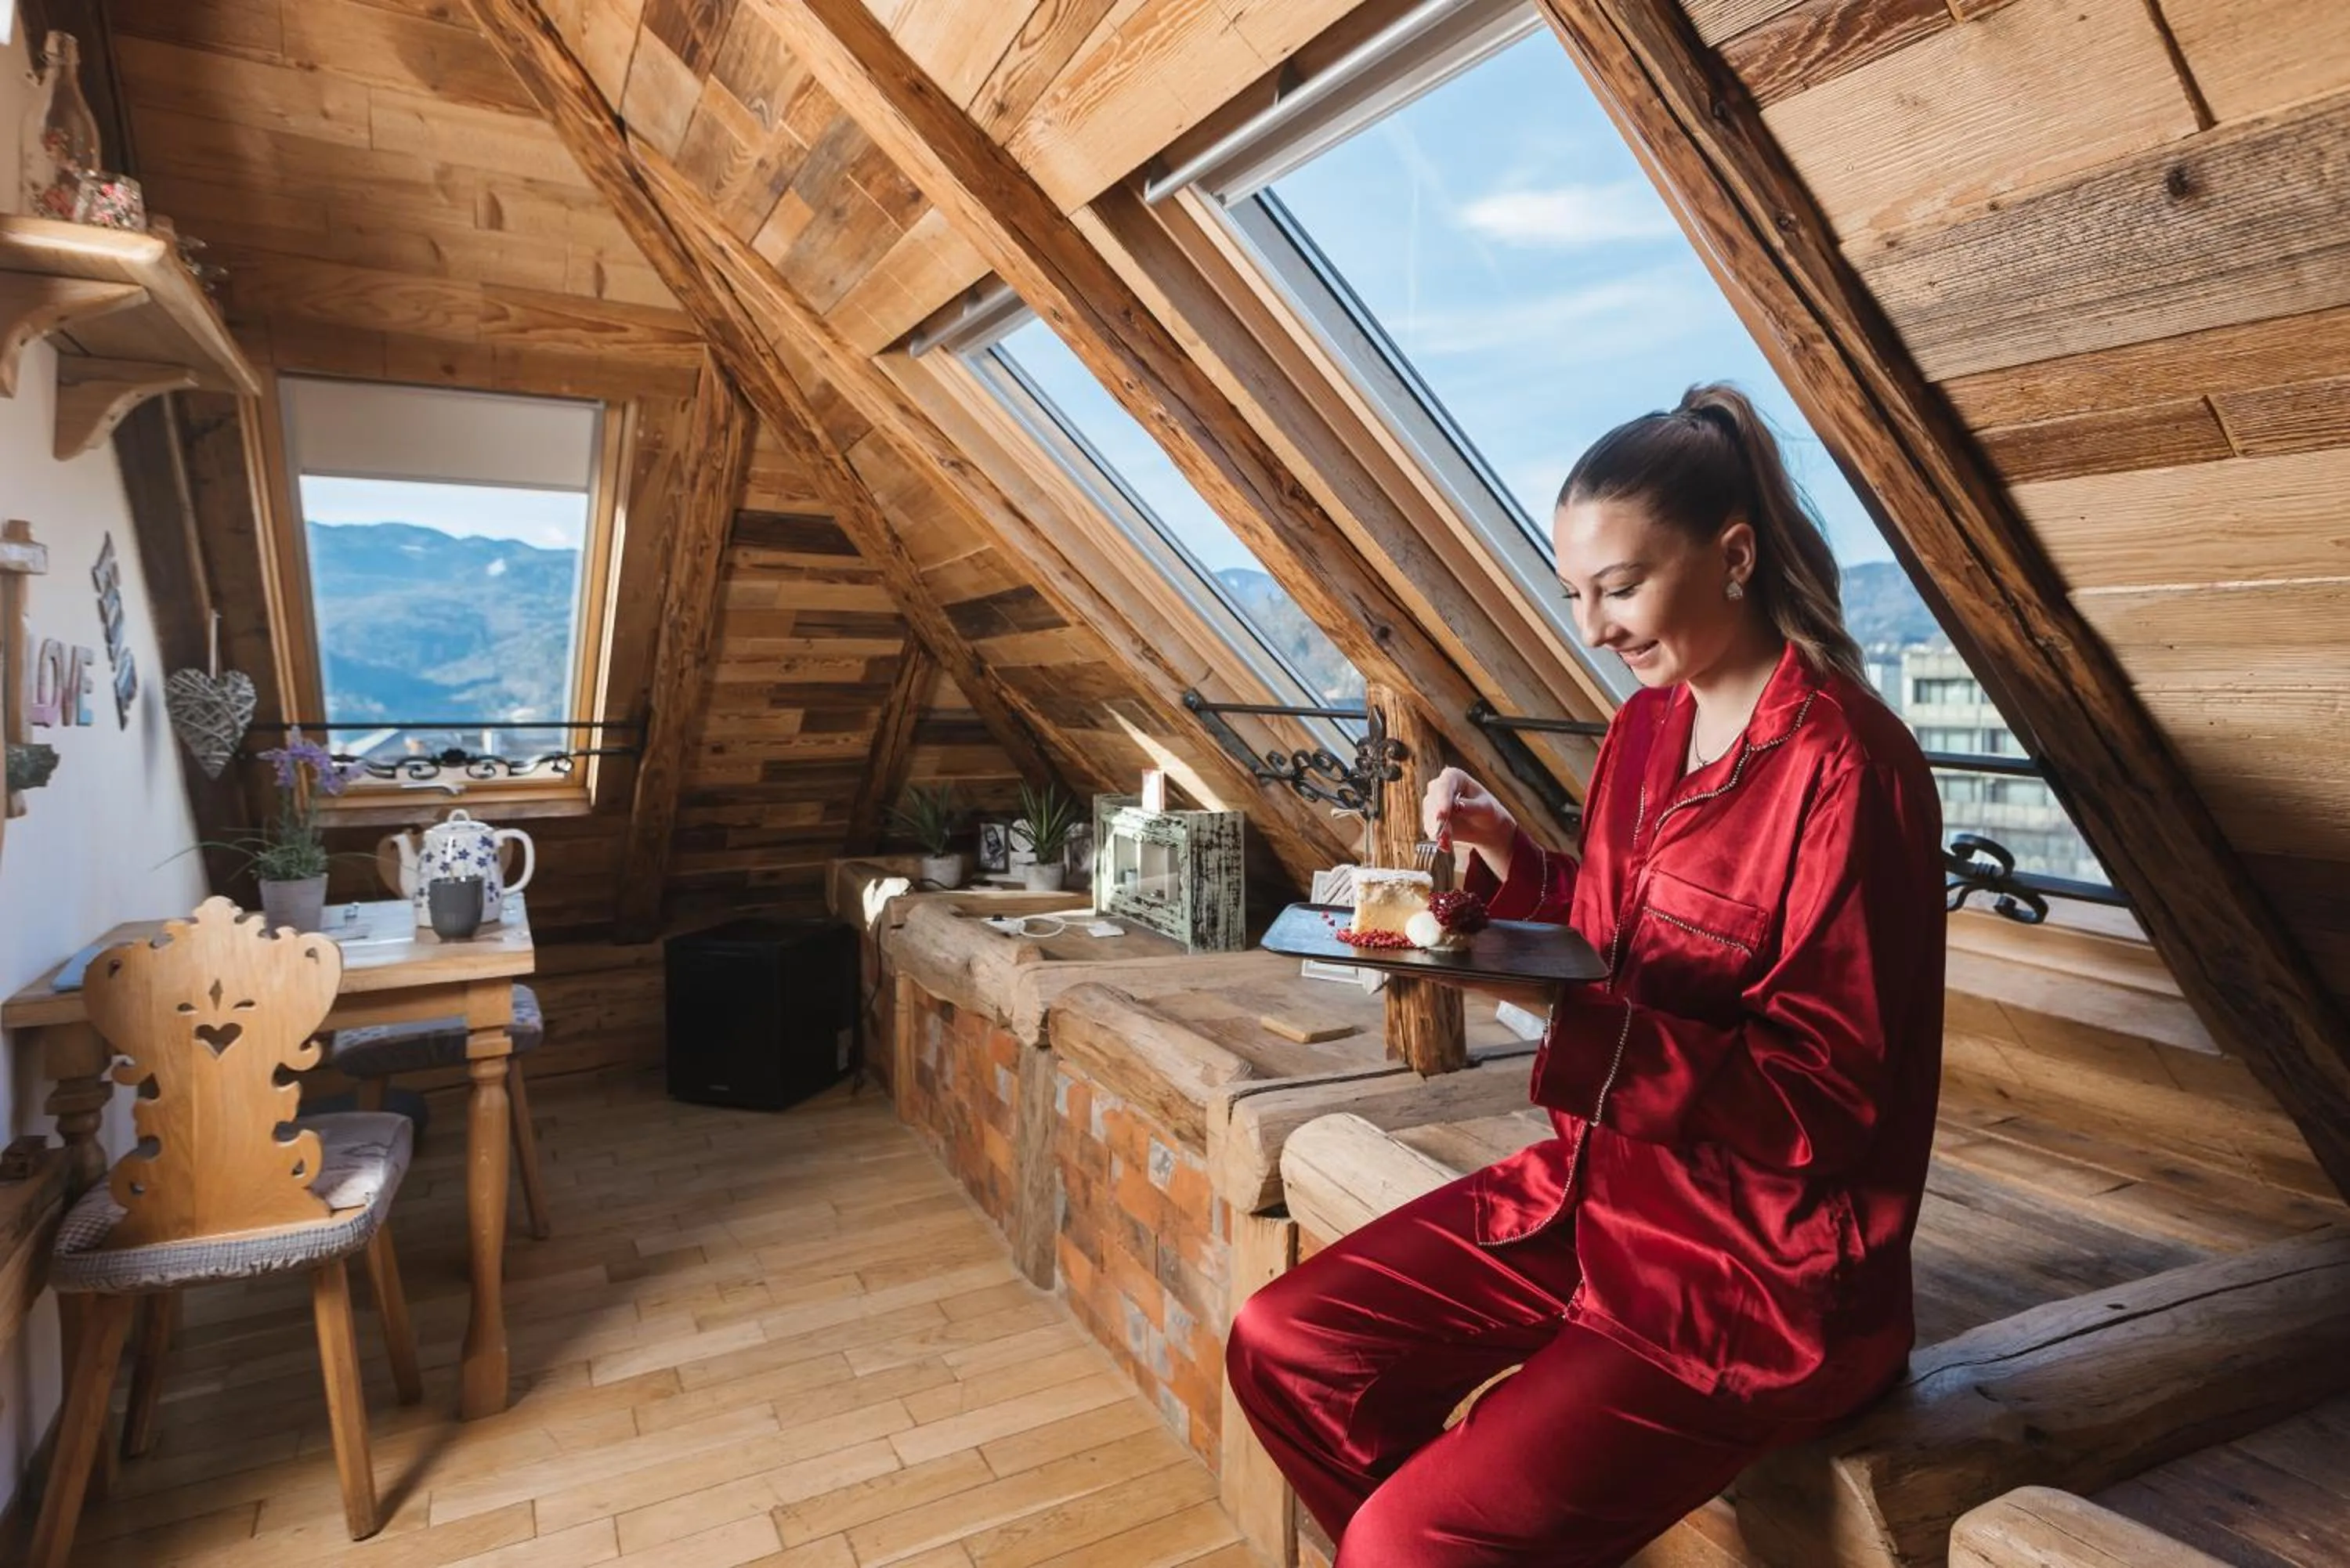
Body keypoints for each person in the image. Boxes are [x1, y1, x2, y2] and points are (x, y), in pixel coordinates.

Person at [1224, 385, 1947, 1566]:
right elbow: (1629, 937)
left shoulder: (1850, 769)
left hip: (1754, 1274)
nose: (1592, 627)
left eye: (1618, 587)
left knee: (1404, 1547)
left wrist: (1564, 1019)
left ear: (1734, 557)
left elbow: (1826, 1097)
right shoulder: (1645, 731)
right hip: (1595, 1191)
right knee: (1288, 1348)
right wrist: (1510, 860)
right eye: (1573, 593)